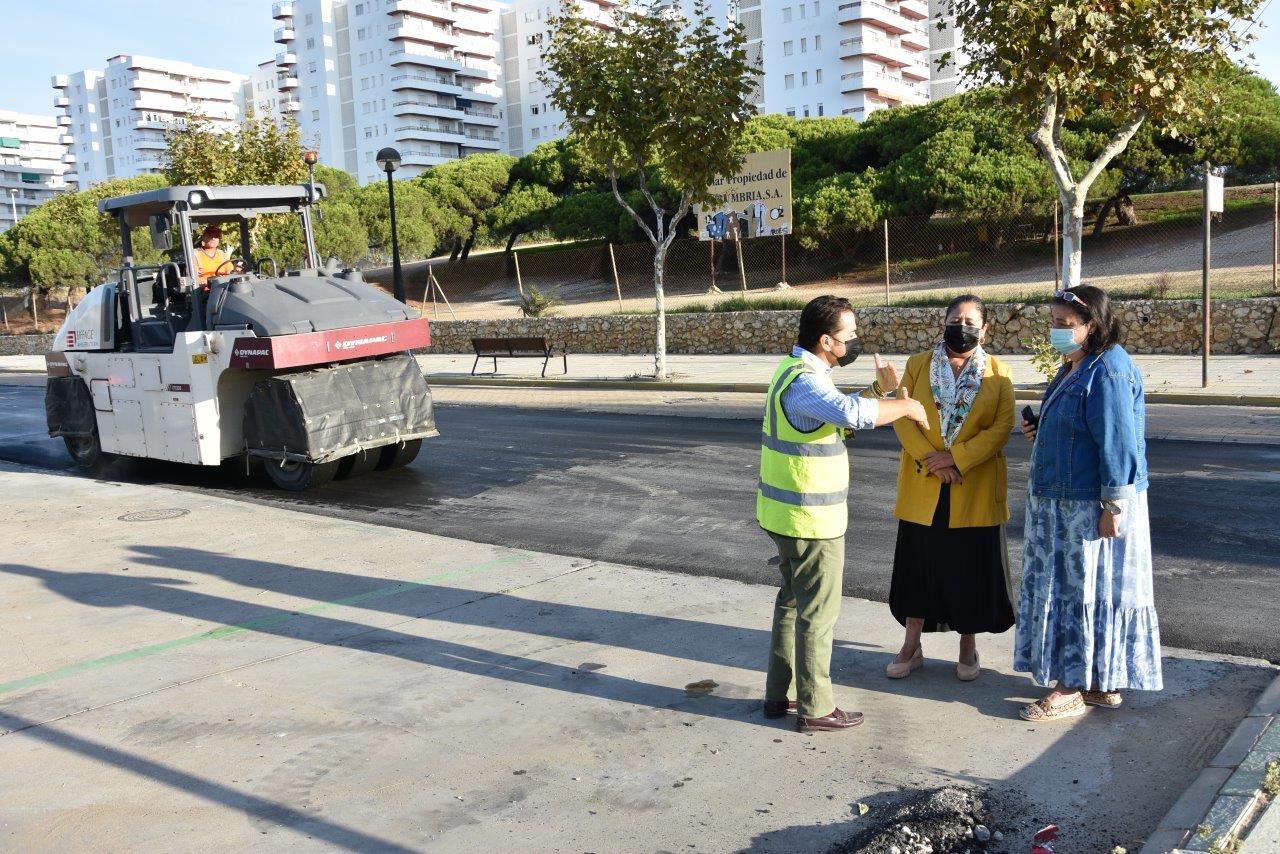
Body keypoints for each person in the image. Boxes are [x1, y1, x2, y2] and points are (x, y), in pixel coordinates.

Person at [758, 295, 929, 733]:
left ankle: (780, 695)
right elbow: (852, 414)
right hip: (810, 521)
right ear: (825, 340)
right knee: (817, 613)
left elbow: (833, 416)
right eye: (848, 335)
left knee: (792, 605)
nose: (854, 341)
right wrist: (906, 406)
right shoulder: (805, 382)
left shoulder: (796, 373)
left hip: (787, 516)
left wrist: (878, 392)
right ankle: (816, 708)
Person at [1013, 285, 1161, 722]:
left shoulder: (1109, 370)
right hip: (1067, 496)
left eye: (1064, 325)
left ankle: (1070, 686)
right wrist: (1042, 432)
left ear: (1091, 325)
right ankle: (1099, 680)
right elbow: (1082, 432)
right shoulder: (1080, 364)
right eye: (1053, 322)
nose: (1056, 331)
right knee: (1093, 591)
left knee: (1076, 592)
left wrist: (1113, 508)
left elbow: (1117, 443)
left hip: (1086, 505)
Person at [887, 294, 1016, 682]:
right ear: (942, 323)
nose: (962, 326)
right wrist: (932, 459)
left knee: (971, 570)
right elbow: (901, 415)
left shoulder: (998, 371)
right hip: (925, 484)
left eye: (970, 320)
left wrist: (957, 458)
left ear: (985, 329)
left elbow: (1002, 427)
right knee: (918, 568)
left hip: (972, 486)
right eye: (955, 318)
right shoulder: (918, 365)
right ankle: (911, 646)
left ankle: (968, 646)